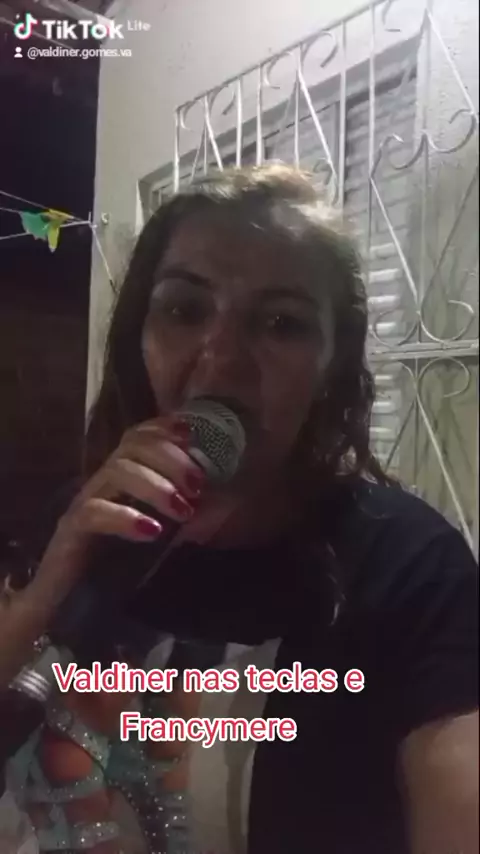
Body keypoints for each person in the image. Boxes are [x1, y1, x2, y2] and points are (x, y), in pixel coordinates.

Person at [0, 165, 478, 854]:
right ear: (138, 334)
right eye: (184, 310)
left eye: (280, 323)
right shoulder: (80, 518)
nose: (220, 360)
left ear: (332, 366)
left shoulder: (410, 569)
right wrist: (52, 581)